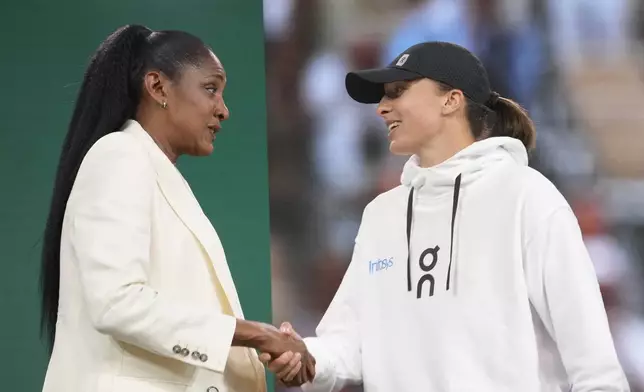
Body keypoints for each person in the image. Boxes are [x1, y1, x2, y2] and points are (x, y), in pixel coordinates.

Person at [261, 41, 630, 391]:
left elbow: (595, 367)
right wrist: (306, 357)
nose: (382, 107)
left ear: (451, 100)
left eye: (397, 91)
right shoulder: (380, 215)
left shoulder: (528, 197)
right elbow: (347, 341)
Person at [39, 24, 313, 392]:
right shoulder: (119, 155)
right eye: (210, 89)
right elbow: (117, 302)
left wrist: (271, 350)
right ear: (158, 87)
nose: (224, 110)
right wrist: (257, 335)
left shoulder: (157, 173)